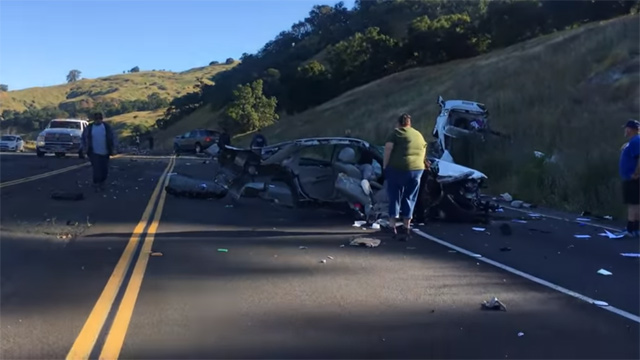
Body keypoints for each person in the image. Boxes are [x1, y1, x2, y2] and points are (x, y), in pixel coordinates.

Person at [383, 113, 427, 241]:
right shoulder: (418, 134)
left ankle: (392, 225)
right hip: (417, 170)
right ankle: (406, 226)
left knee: (394, 195)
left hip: (398, 169)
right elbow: (424, 150)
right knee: (410, 196)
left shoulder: (395, 133)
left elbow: (388, 149)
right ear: (409, 123)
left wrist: (385, 166)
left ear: (399, 123)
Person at [81, 112, 117, 192]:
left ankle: (102, 182)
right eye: (96, 119)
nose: (98, 120)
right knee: (96, 169)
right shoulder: (89, 128)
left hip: (105, 152)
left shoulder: (107, 127)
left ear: (102, 119)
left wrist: (114, 148)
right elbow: (84, 139)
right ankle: (96, 183)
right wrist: (84, 149)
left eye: (99, 119)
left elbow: (113, 138)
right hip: (93, 152)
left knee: (104, 169)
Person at [619, 119, 640, 237]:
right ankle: (635, 229)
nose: (625, 130)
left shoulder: (635, 141)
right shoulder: (633, 141)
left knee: (632, 204)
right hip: (631, 178)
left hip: (632, 179)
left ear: (630, 129)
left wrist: (636, 174)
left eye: (626, 128)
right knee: (636, 204)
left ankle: (630, 229)